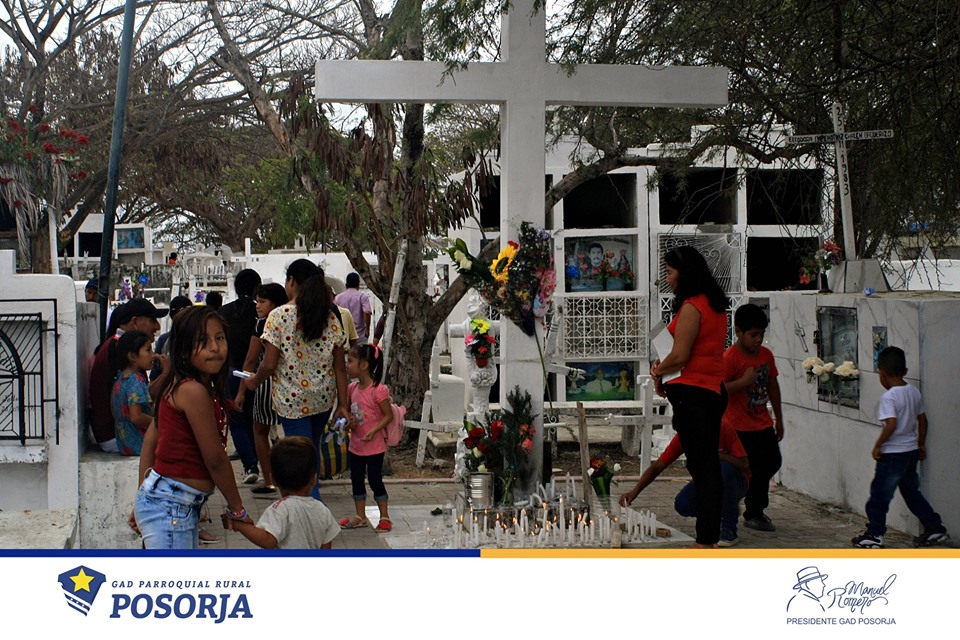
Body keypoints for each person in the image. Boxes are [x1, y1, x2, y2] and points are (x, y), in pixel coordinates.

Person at [134, 306, 251, 549]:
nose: (215, 348)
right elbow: (215, 459)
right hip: (171, 507)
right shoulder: (192, 391)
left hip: (171, 503)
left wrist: (141, 496)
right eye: (202, 341)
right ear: (184, 349)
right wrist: (237, 509)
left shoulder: (185, 386)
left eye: (220, 338)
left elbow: (150, 442)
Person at [245, 259, 350, 500]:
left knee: (300, 461)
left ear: (292, 281)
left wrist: (254, 381)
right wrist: (343, 404)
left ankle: (310, 508)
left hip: (292, 401)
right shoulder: (329, 316)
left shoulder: (278, 316)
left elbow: (269, 364)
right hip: (323, 399)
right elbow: (340, 367)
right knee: (311, 452)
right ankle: (311, 504)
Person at [650, 245, 729, 548]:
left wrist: (658, 371)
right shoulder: (714, 305)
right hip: (710, 391)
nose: (668, 278)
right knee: (705, 465)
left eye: (670, 272)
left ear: (685, 273)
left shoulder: (693, 306)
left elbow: (680, 355)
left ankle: (706, 538)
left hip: (694, 396)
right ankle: (709, 533)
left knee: (703, 468)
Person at [852, 346, 949, 548]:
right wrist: (920, 443)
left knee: (879, 496)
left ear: (882, 373)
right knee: (911, 493)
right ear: (904, 371)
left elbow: (891, 424)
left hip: (892, 455)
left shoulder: (889, 397)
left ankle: (875, 534)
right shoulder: (913, 392)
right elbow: (923, 420)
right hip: (910, 452)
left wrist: (878, 445)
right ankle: (934, 527)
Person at [620, 421, 749, 546]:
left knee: (723, 470)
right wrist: (634, 491)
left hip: (737, 481)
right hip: (707, 481)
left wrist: (718, 456)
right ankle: (717, 514)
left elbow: (744, 464)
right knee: (683, 504)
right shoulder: (684, 437)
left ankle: (729, 527)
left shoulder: (722, 428)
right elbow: (657, 467)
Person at [722, 303, 783, 533]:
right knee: (745, 468)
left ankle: (754, 509)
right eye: (753, 335)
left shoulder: (766, 355)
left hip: (762, 422)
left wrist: (779, 418)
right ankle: (749, 508)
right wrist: (743, 382)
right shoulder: (730, 358)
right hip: (738, 426)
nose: (758, 340)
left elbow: (773, 385)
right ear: (738, 332)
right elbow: (719, 389)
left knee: (771, 462)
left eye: (761, 334)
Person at [222, 437, 340, 549]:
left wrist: (239, 525)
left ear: (273, 480)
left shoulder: (280, 509)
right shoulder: (322, 509)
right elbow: (326, 546)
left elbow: (268, 540)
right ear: (313, 479)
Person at [89, 298, 169, 452]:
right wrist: (166, 374)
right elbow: (137, 413)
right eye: (152, 320)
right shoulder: (123, 349)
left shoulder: (118, 345)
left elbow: (139, 395)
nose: (157, 326)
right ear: (135, 322)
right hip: (120, 436)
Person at [236, 282, 288, 495]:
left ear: (273, 303)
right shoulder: (292, 318)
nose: (257, 305)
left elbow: (251, 359)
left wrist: (242, 391)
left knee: (260, 431)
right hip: (291, 381)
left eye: (262, 301)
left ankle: (270, 480)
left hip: (265, 382)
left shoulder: (263, 324)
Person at [339, 344, 393, 532]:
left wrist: (374, 430)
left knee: (375, 479)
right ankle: (360, 515)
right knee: (356, 480)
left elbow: (388, 416)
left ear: (363, 365)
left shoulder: (378, 391)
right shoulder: (351, 389)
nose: (347, 365)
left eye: (350, 361)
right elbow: (348, 414)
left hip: (375, 446)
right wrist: (349, 423)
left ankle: (384, 516)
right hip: (356, 446)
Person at [219, 269, 262, 485]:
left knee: (237, 422)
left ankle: (250, 464)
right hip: (257, 373)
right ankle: (260, 461)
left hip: (230, 373)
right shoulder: (260, 314)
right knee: (256, 420)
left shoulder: (223, 312)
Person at [110, 331, 155, 456]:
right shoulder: (135, 380)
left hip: (124, 444)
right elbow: (136, 417)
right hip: (139, 444)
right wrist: (159, 424)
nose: (153, 355)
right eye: (148, 350)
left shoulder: (120, 378)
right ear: (133, 356)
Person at [335, 272, 372, 344]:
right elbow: (367, 312)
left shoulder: (338, 298)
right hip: (359, 334)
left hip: (343, 334)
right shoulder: (362, 297)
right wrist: (367, 329)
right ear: (358, 284)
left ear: (346, 285)